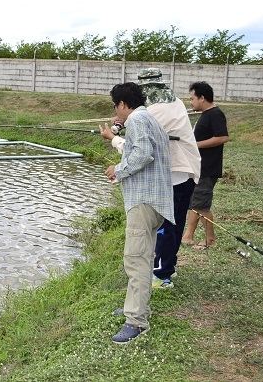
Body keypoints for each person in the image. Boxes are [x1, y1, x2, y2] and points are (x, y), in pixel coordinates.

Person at [100, 69, 200, 289]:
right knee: (174, 223)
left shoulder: (151, 113)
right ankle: (167, 269)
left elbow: (142, 152)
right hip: (186, 170)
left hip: (171, 173)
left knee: (165, 226)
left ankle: (161, 274)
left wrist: (114, 139)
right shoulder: (174, 103)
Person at [103, 82, 174, 344]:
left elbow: (143, 154)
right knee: (141, 256)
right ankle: (134, 306)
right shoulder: (146, 118)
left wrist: (118, 171)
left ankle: (136, 321)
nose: (115, 111)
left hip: (144, 201)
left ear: (122, 104)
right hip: (151, 200)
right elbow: (139, 152)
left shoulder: (138, 120)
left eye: (115, 106)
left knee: (136, 259)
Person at [181, 81, 229, 248]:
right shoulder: (205, 114)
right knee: (197, 203)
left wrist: (196, 145)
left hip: (208, 168)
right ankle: (200, 238)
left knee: (200, 204)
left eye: (192, 98)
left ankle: (203, 238)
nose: (191, 102)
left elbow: (222, 137)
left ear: (202, 98)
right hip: (199, 167)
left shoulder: (215, 114)